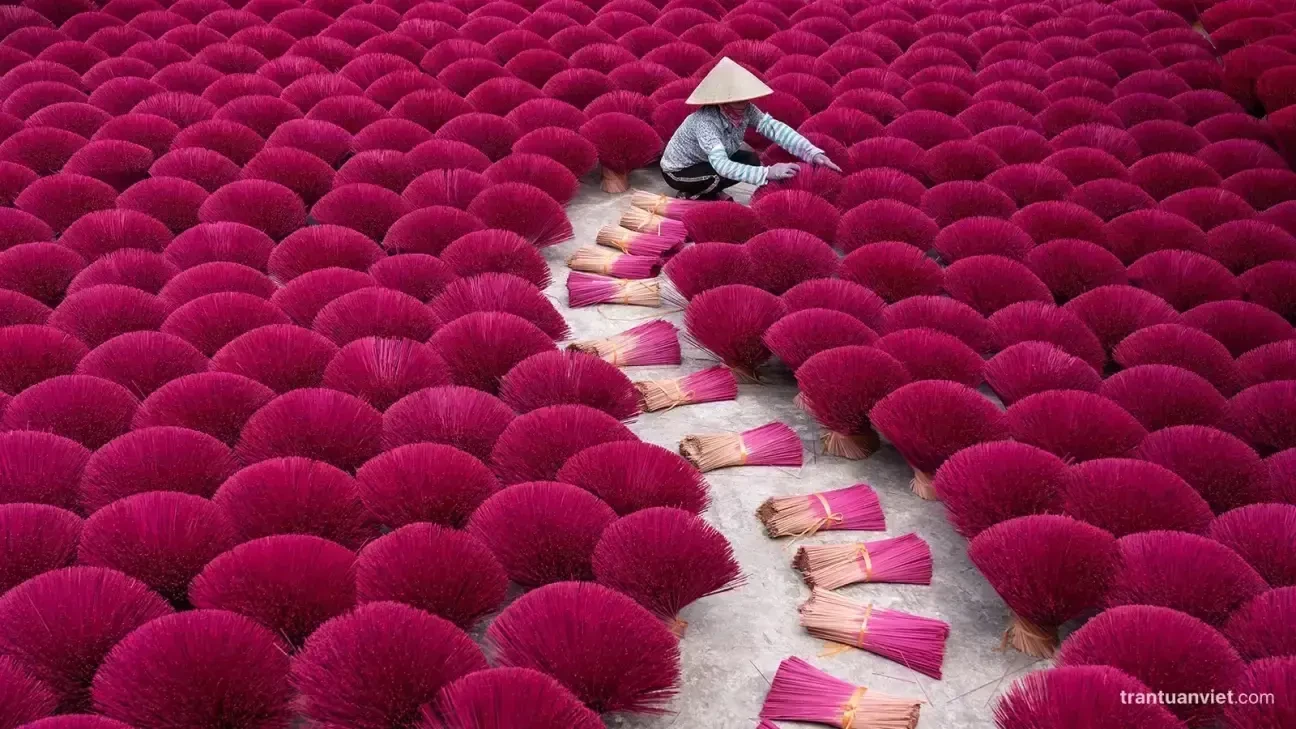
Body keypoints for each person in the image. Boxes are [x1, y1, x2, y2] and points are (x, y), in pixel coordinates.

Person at [660, 57, 843, 200]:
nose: (745, 102)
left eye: (745, 97)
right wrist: (768, 172)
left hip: (706, 162)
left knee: (751, 159)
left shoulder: (747, 109)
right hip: (679, 171)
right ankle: (695, 194)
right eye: (738, 99)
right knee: (715, 177)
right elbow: (722, 166)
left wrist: (811, 153)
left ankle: (706, 191)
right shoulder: (705, 123)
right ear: (722, 100)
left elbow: (773, 128)